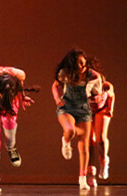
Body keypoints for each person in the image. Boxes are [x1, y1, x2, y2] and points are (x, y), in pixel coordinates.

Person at [51, 48, 104, 190]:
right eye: (79, 64)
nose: (83, 66)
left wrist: (98, 97)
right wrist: (57, 97)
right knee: (69, 130)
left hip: (84, 110)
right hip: (66, 107)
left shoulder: (93, 76)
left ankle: (82, 179)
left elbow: (97, 94)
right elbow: (55, 86)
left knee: (84, 146)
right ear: (72, 65)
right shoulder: (65, 74)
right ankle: (66, 141)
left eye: (84, 63)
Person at [87, 80, 114, 187]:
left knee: (100, 138)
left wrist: (110, 108)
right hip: (87, 111)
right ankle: (90, 173)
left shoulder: (106, 86)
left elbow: (112, 95)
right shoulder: (83, 88)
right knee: (89, 140)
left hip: (102, 110)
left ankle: (104, 160)